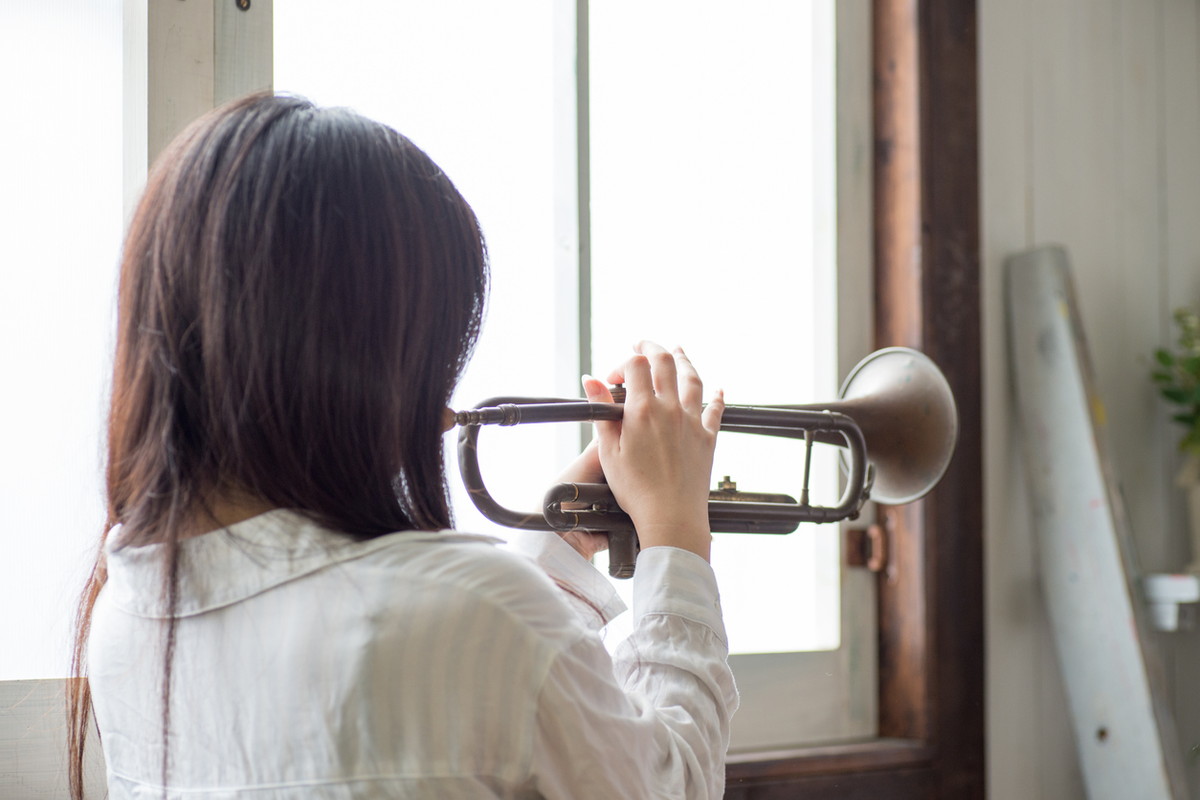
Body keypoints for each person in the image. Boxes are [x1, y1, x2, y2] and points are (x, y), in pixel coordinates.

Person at [68, 92, 737, 799]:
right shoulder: (477, 613)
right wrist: (675, 539)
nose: (444, 409)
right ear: (341, 351)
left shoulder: (128, 619)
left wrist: (560, 546)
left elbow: (480, 692)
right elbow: (672, 785)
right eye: (427, 355)